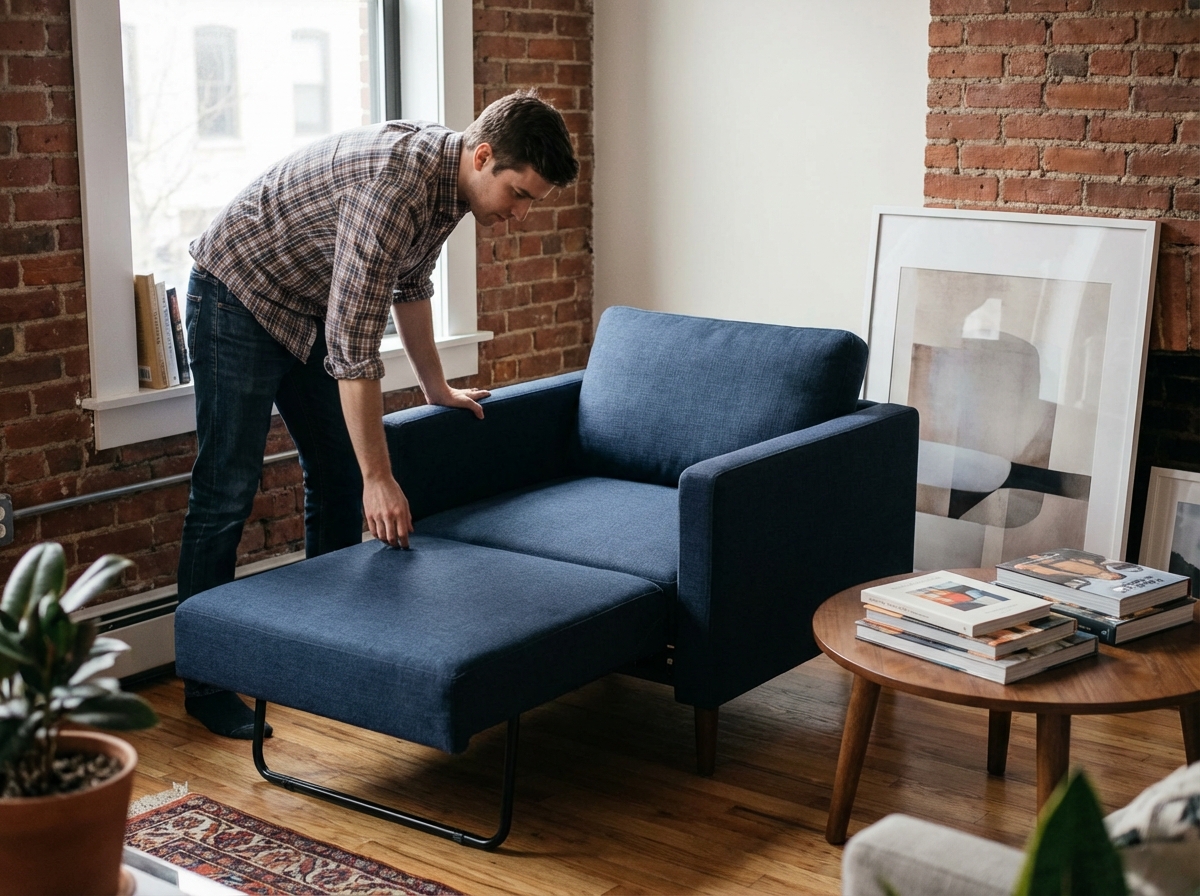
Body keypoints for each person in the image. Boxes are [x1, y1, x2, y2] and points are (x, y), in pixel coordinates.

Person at [176, 90, 579, 738]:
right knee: (227, 488)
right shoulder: (395, 188)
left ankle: (329, 646)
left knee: (336, 472)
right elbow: (353, 351)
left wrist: (436, 388)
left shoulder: (450, 187)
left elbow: (409, 287)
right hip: (236, 296)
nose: (521, 214)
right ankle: (205, 682)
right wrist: (380, 478)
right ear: (483, 156)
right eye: (519, 194)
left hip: (303, 305)